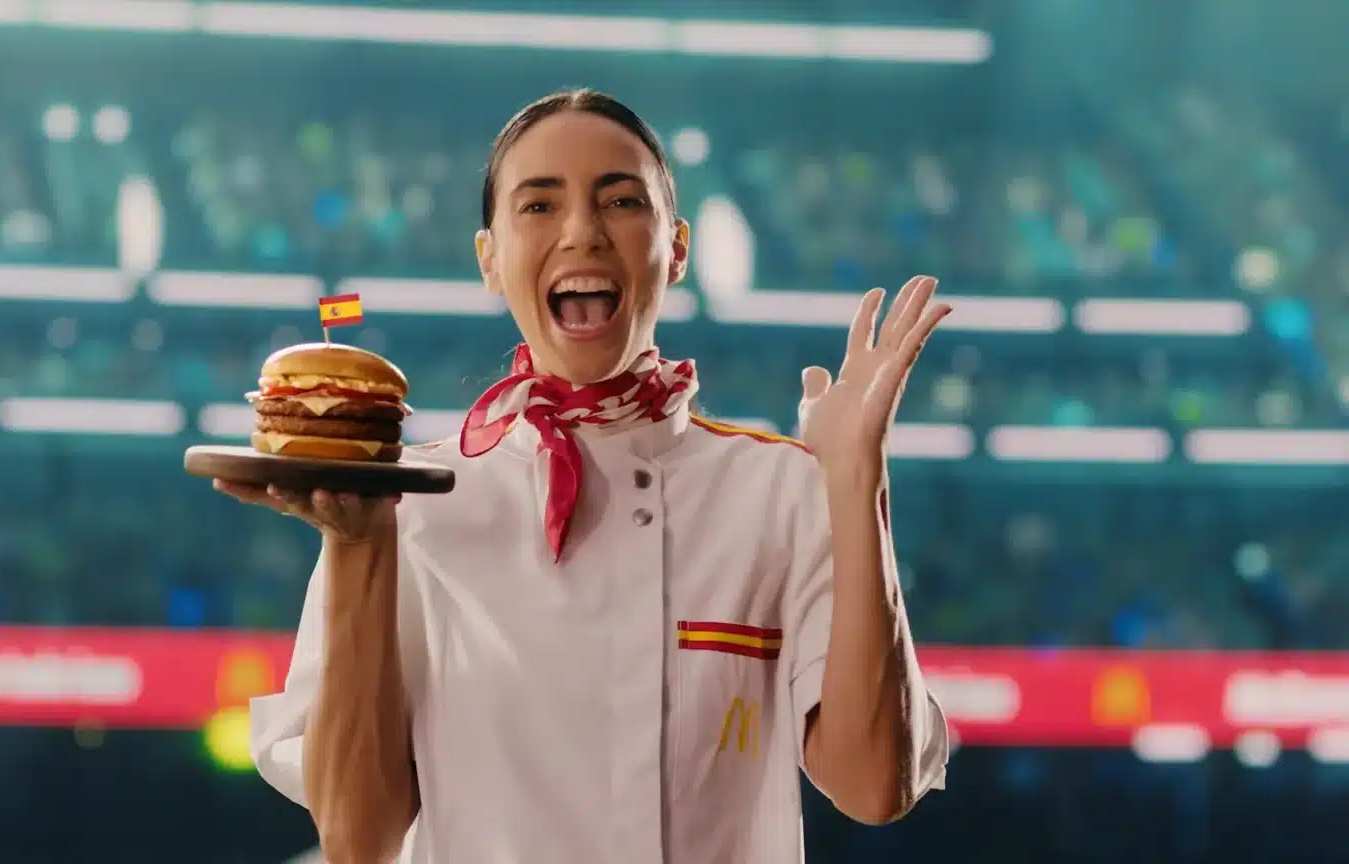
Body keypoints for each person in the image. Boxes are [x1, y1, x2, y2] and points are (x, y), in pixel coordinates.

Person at [223, 88, 951, 864]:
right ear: (490, 260)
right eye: (538, 206)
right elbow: (358, 837)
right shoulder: (406, 504)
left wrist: (855, 488)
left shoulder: (779, 492)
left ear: (675, 248)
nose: (582, 232)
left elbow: (874, 786)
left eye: (621, 200)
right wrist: (360, 544)